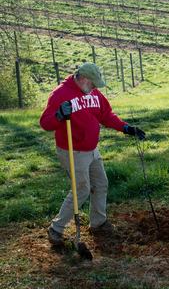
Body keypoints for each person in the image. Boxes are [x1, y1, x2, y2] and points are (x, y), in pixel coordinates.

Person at [40, 62, 146, 245]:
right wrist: (59, 115)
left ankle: (98, 222)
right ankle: (56, 229)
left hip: (92, 149)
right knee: (82, 189)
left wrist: (126, 128)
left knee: (101, 183)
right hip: (72, 151)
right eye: (93, 83)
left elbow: (106, 115)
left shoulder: (93, 93)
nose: (96, 87)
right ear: (83, 79)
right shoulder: (60, 94)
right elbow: (45, 123)